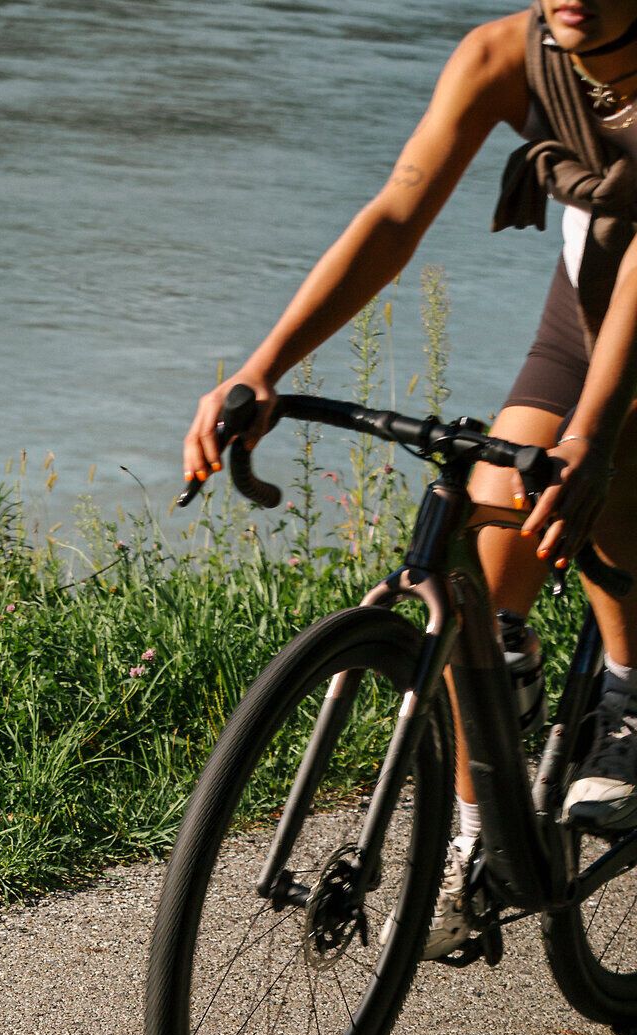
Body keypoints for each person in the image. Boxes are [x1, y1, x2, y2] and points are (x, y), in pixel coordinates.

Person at [185, 0, 637, 959]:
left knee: (611, 473)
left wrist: (595, 438)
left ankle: (632, 693)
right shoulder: (503, 55)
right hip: (589, 308)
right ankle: (477, 848)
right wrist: (263, 367)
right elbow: (395, 216)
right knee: (494, 542)